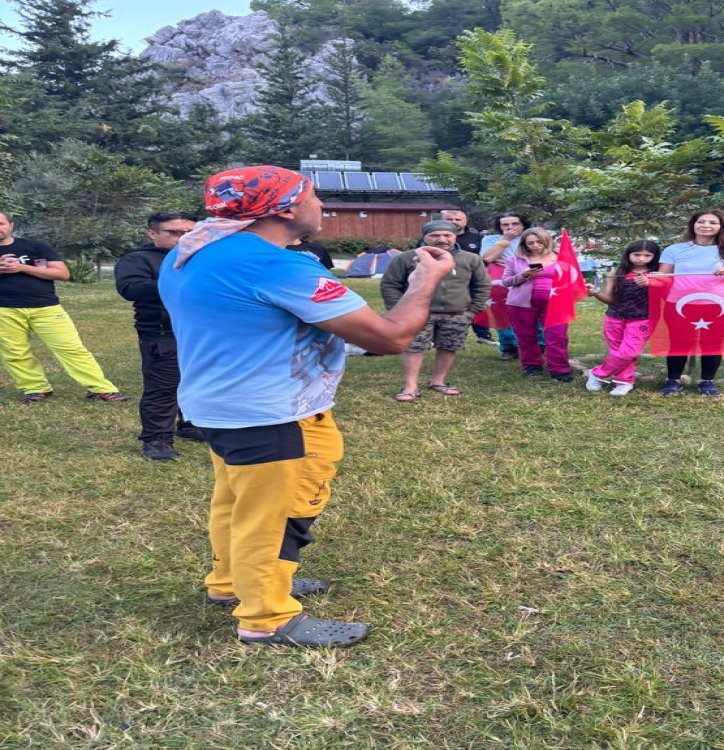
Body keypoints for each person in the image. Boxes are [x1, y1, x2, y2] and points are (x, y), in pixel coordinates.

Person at [158, 165, 455, 648]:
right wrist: (426, 279)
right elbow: (391, 337)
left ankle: (234, 582)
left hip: (223, 404)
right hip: (269, 410)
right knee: (271, 515)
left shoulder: (191, 250)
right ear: (287, 208)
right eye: (316, 196)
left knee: (237, 501)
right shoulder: (276, 265)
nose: (324, 206)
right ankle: (267, 616)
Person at [0, 211, 129, 404]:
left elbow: (62, 273)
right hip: (4, 309)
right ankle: (36, 389)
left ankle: (101, 388)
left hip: (46, 307)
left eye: (1, 224)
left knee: (71, 348)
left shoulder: (35, 247)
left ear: (11, 225)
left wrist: (22, 267)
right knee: (15, 352)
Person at [115, 211, 205, 461]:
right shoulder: (139, 259)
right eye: (174, 233)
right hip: (163, 333)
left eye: (189, 232)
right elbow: (130, 288)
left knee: (198, 382)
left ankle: (190, 424)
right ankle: (157, 439)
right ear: (153, 233)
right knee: (163, 388)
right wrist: (183, 283)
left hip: (204, 332)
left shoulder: (203, 257)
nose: (183, 238)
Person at [380, 219, 490, 401]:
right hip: (417, 314)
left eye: (447, 235)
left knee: (448, 347)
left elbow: (483, 285)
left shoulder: (470, 259)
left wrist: (472, 310)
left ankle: (438, 381)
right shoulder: (406, 258)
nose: (442, 239)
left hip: (457, 313)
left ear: (455, 236)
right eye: (435, 235)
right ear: (425, 237)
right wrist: (399, 310)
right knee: (414, 347)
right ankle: (410, 387)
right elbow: (390, 285)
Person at [657, 210, 724, 397]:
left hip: (721, 304)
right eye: (701, 221)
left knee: (713, 343)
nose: (706, 225)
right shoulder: (674, 250)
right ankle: (673, 380)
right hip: (679, 304)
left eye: (712, 222)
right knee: (678, 342)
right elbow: (663, 277)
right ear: (693, 224)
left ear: (721, 226)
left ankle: (707, 381)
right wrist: (649, 279)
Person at [585, 240, 661, 396]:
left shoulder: (658, 274)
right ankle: (624, 381)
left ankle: (598, 373)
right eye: (637, 254)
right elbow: (610, 299)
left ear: (654, 257)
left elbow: (665, 295)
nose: (641, 258)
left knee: (628, 352)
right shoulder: (617, 272)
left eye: (647, 255)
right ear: (628, 254)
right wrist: (595, 293)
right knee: (616, 351)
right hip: (615, 317)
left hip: (643, 319)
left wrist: (651, 284)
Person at [501, 227, 574, 382]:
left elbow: (572, 279)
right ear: (525, 244)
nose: (535, 245)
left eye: (539, 242)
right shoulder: (515, 260)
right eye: (530, 243)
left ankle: (560, 369)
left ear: (546, 241)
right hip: (521, 304)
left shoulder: (561, 258)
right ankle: (531, 366)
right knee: (525, 336)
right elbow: (506, 282)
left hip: (555, 304)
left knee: (557, 336)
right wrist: (524, 275)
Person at [481, 212, 531, 360]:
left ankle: (536, 345)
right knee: (502, 313)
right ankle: (509, 347)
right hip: (500, 282)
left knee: (530, 312)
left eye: (515, 224)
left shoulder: (531, 238)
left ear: (523, 225)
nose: (510, 227)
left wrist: (515, 263)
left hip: (529, 278)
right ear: (499, 226)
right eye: (505, 225)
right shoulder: (490, 239)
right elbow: (489, 257)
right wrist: (506, 240)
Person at [439, 209, 492, 345]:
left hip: (472, 279)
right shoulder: (432, 238)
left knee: (478, 304)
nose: (454, 222)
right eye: (449, 219)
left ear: (465, 221)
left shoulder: (478, 239)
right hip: (443, 279)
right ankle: (438, 334)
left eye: (458, 219)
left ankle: (483, 335)